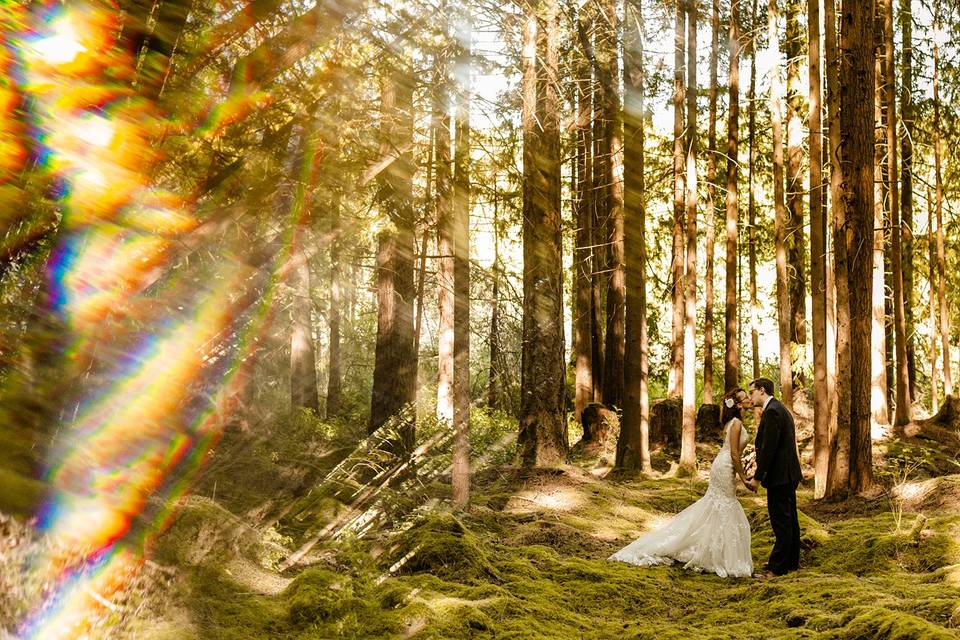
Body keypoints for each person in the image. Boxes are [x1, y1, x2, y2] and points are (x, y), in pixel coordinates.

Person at [608, 388, 755, 578]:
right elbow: (735, 453)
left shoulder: (734, 423)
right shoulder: (735, 424)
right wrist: (744, 478)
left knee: (717, 506)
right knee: (725, 505)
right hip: (725, 466)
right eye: (745, 398)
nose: (749, 400)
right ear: (737, 405)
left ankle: (714, 551)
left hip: (724, 465)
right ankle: (721, 556)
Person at [744, 377, 802, 578]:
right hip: (787, 474)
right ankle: (790, 563)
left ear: (761, 390)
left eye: (751, 392)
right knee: (790, 520)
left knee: (782, 522)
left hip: (780, 476)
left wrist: (758, 478)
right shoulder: (779, 408)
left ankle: (776, 569)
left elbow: (769, 449)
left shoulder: (773, 412)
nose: (750, 396)